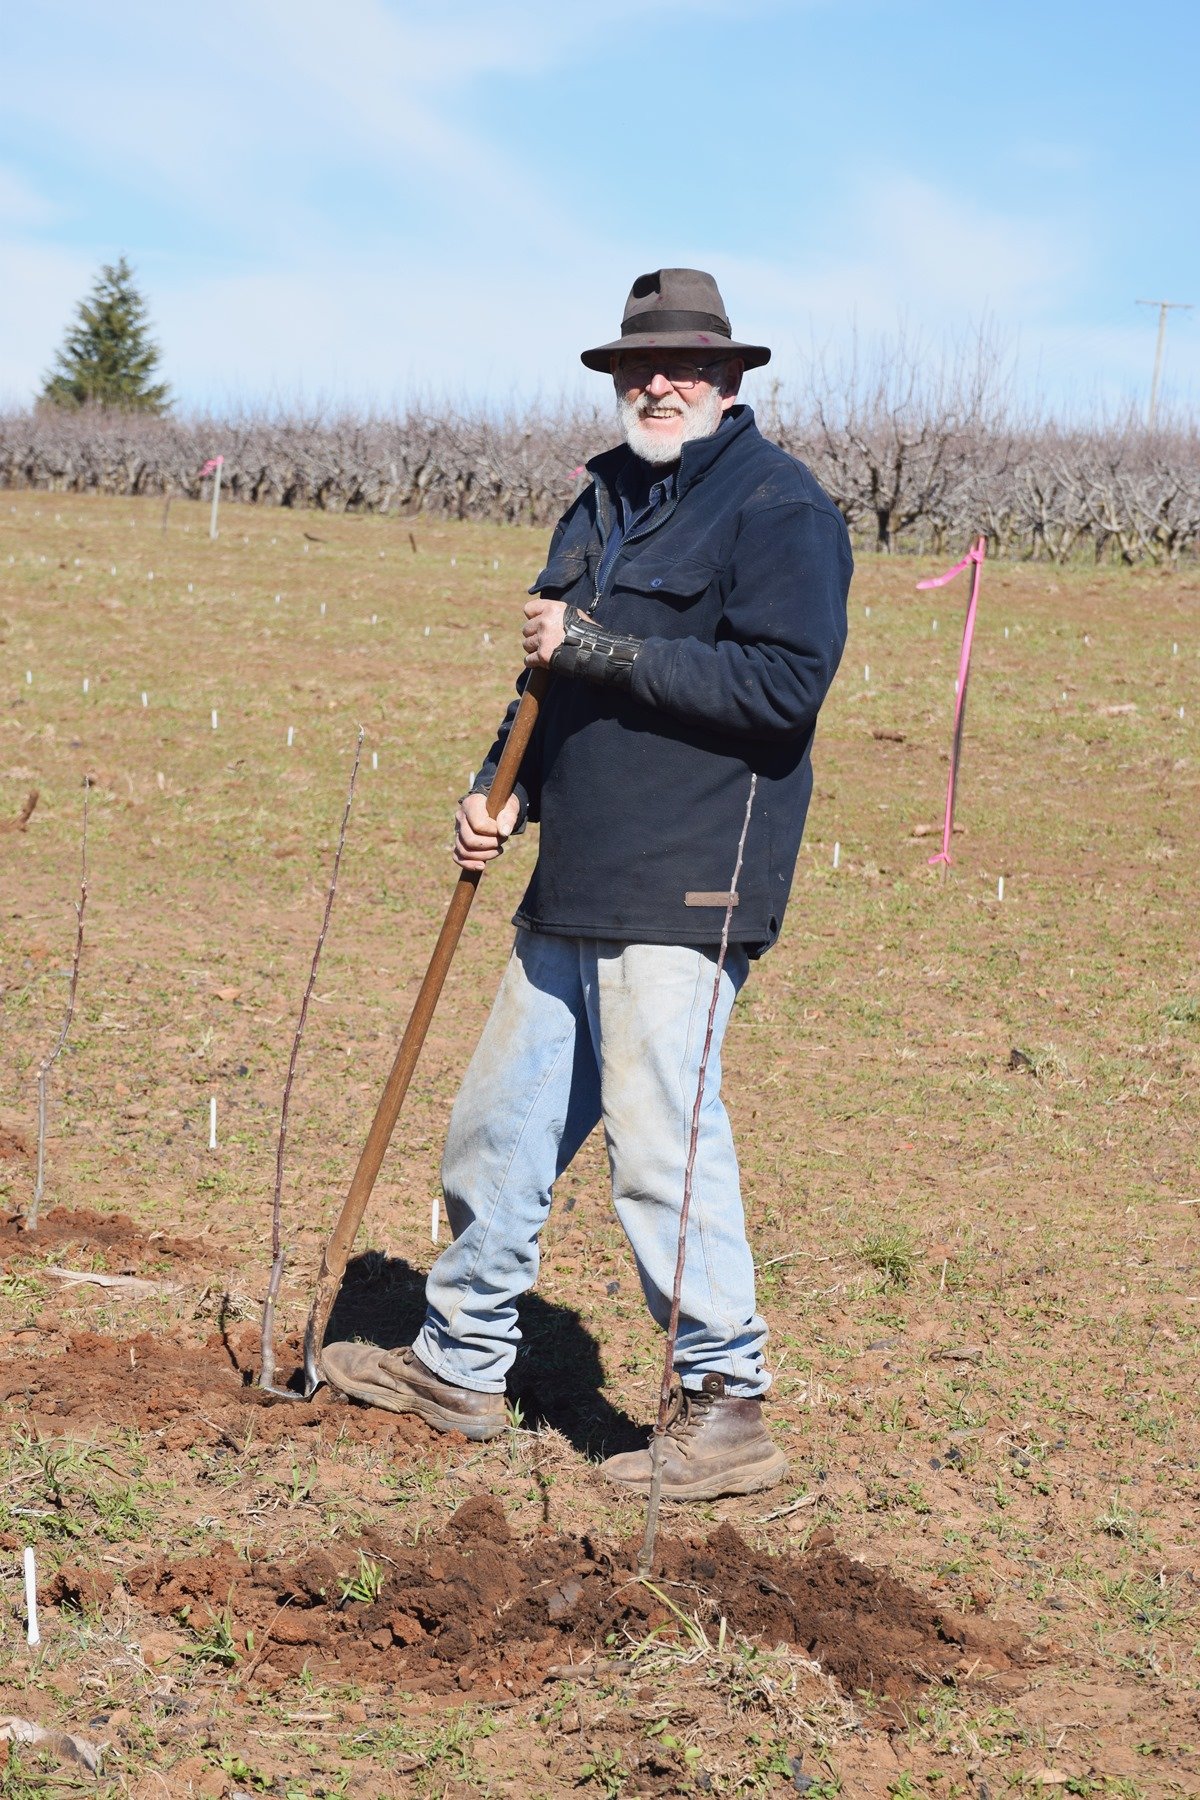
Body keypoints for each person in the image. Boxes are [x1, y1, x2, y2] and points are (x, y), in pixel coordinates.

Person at [323, 269, 851, 1500]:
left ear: (729, 378)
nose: (656, 383)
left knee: (662, 1148)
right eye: (635, 366)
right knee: (497, 1131)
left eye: (681, 366)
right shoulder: (605, 501)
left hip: (692, 881)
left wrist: (602, 647)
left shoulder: (781, 510)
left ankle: (726, 1406)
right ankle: (460, 1362)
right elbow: (548, 678)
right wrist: (501, 789)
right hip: (577, 873)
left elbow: (781, 687)